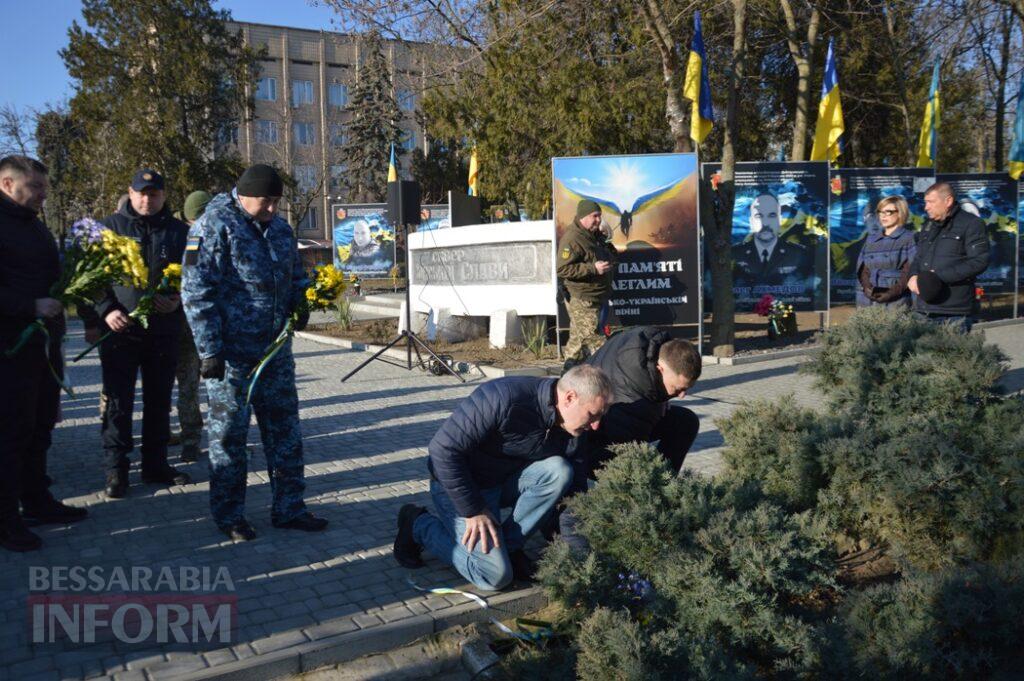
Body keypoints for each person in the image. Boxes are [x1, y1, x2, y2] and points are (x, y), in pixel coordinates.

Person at [181, 164, 326, 541]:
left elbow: (295, 273)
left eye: (277, 202)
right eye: (267, 201)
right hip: (231, 358)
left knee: (286, 434)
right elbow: (196, 290)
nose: (273, 209)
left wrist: (302, 300)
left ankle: (289, 508)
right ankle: (230, 516)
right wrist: (209, 349)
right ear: (243, 194)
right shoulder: (214, 225)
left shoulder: (280, 229)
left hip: (276, 352)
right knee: (229, 438)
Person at [392, 365, 613, 591]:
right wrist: (473, 509)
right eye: (593, 414)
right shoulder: (503, 397)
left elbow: (574, 495)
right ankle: (419, 525)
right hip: (460, 487)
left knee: (560, 470)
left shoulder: (576, 430)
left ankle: (508, 547)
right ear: (569, 397)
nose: (596, 425)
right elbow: (442, 450)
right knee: (493, 576)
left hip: (501, 482)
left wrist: (581, 558)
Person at [0, 155, 88, 552]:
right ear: (6, 184)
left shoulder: (31, 223)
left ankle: (37, 500)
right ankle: (6, 520)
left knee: (38, 429)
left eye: (44, 188)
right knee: (11, 435)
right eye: (35, 187)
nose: (43, 195)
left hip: (43, 348)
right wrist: (29, 306)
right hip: (10, 351)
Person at [92, 169, 191, 499]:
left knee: (159, 400)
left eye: (154, 194)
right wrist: (107, 310)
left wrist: (177, 300)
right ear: (130, 193)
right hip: (121, 331)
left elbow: (194, 276)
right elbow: (92, 278)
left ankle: (155, 465)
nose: (147, 199)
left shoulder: (180, 232)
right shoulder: (109, 228)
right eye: (141, 193)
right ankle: (116, 470)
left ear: (164, 196)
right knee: (119, 402)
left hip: (162, 331)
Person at [908, 182, 989, 333]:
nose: (926, 207)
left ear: (948, 201)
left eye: (931, 202)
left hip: (953, 311)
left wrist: (937, 277)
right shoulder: (928, 226)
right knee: (920, 356)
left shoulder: (972, 223)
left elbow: (979, 261)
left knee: (952, 356)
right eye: (925, 203)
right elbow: (919, 257)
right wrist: (912, 275)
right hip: (923, 308)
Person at [174, 190, 212, 463]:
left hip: (203, 327)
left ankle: (195, 440)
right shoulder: (193, 240)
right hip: (189, 328)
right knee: (190, 387)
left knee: (198, 387)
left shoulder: (191, 236)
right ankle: (191, 440)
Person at [557, 199, 617, 366]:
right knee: (597, 342)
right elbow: (562, 269)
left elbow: (611, 259)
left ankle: (567, 380)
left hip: (597, 296)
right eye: (595, 216)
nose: (598, 220)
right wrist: (592, 269)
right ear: (583, 216)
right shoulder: (573, 238)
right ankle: (612, 380)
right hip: (582, 299)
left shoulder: (594, 236)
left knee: (577, 345)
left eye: (599, 216)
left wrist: (606, 243)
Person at [732, 193, 808, 288]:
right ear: (751, 221)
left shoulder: (800, 254)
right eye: (759, 216)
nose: (765, 223)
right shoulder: (735, 254)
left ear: (780, 219)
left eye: (772, 215)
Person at [855, 196, 917, 308]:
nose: (882, 215)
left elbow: (910, 272)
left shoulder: (909, 238)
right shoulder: (871, 239)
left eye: (888, 212)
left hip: (896, 302)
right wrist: (867, 289)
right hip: (868, 302)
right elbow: (863, 269)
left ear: (900, 213)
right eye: (880, 212)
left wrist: (890, 293)